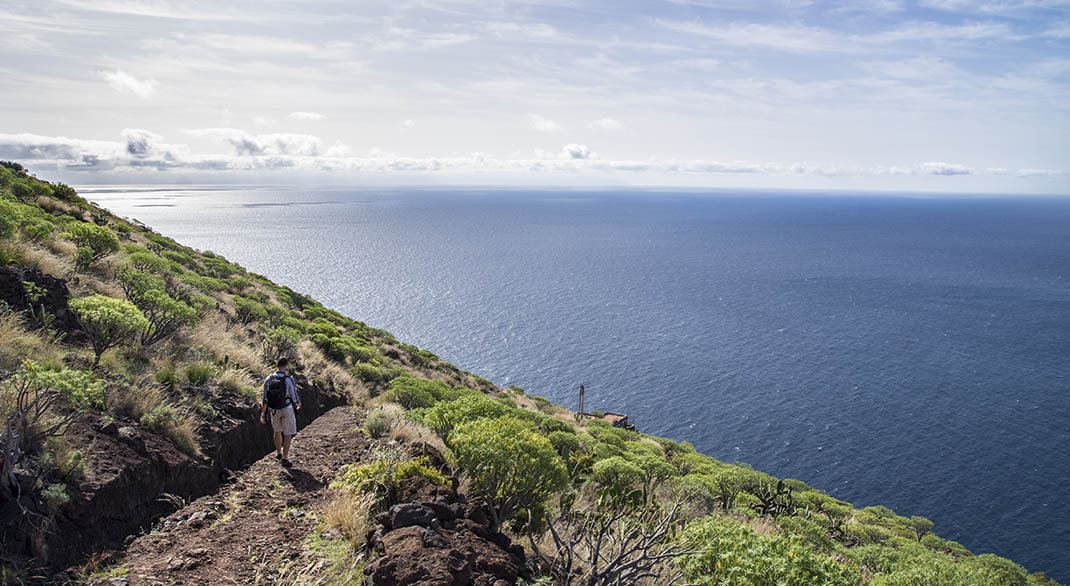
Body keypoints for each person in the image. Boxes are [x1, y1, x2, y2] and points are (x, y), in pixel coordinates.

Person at [260, 357, 301, 465]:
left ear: (277, 365)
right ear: (286, 366)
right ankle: (285, 458)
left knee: (277, 431)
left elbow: (265, 398)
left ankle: (278, 453)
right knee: (288, 434)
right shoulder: (288, 379)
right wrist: (297, 403)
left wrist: (263, 413)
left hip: (273, 410)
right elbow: (293, 395)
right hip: (287, 408)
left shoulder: (269, 379)